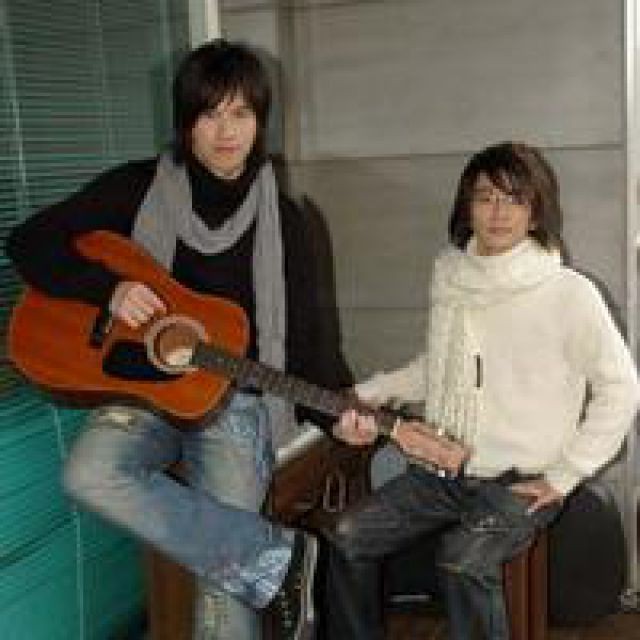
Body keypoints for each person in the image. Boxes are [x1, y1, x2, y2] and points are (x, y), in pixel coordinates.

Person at [6, 38, 450, 640]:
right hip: (142, 394)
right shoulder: (135, 189)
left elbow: (309, 350)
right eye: (209, 113)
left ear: (259, 121)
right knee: (89, 474)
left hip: (235, 402)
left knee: (225, 579)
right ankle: (275, 554)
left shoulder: (286, 223)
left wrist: (336, 418)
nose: (225, 131)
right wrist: (107, 289)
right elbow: (28, 241)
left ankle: (259, 559)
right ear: (186, 121)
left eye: (240, 113)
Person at [327, 141, 640, 640]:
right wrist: (373, 391)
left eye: (514, 199)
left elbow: (620, 387)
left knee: (462, 561)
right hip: (444, 470)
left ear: (535, 211)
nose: (498, 212)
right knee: (346, 535)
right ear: (466, 207)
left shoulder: (569, 293)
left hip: (523, 481)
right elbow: (441, 367)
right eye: (485, 197)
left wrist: (565, 475)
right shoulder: (452, 277)